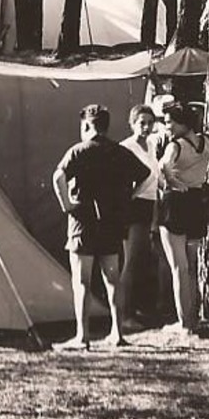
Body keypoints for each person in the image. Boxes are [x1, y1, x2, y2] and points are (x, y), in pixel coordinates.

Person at [51, 103, 151, 350]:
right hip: (112, 221)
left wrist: (67, 204)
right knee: (112, 279)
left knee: (82, 281)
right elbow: (146, 174)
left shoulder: (78, 150)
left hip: (83, 222)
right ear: (106, 127)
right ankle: (117, 334)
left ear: (86, 125)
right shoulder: (119, 152)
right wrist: (128, 197)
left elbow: (58, 176)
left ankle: (82, 337)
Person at [156, 80, 209, 332]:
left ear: (182, 123)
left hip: (176, 204)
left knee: (179, 268)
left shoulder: (175, 145)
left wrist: (174, 182)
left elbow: (162, 166)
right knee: (193, 266)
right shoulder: (206, 142)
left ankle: (184, 323)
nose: (167, 127)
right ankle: (195, 318)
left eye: (170, 123)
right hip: (197, 203)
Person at [120, 104, 168, 325]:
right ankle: (125, 314)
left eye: (150, 123)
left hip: (153, 205)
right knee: (132, 260)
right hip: (135, 207)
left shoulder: (150, 145)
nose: (147, 128)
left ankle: (150, 308)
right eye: (142, 123)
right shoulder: (126, 147)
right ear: (132, 124)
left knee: (148, 260)